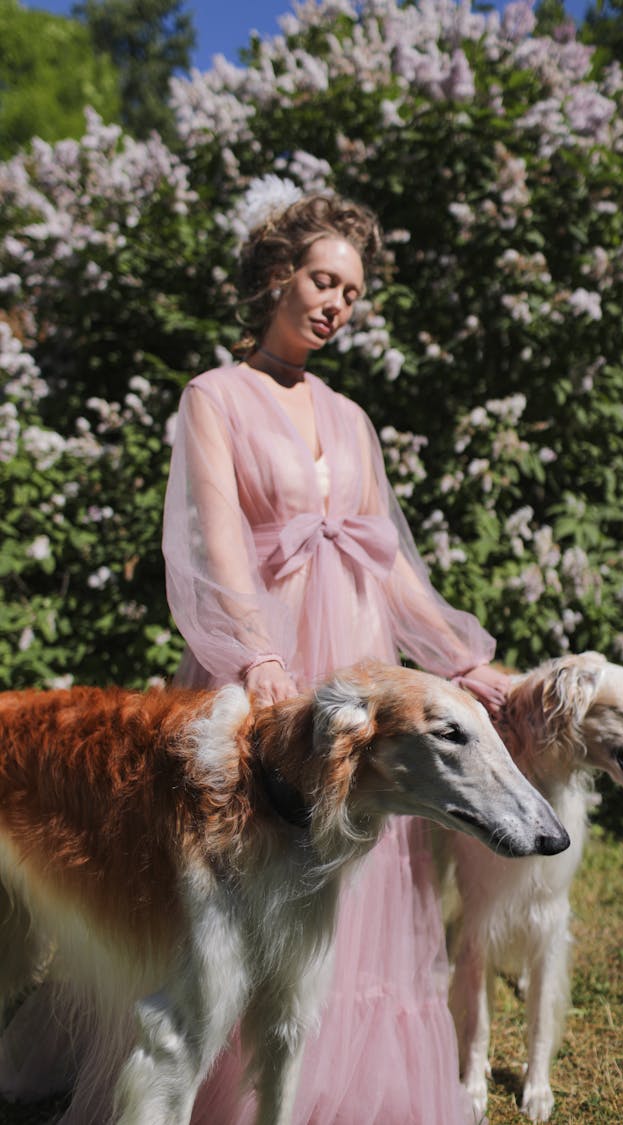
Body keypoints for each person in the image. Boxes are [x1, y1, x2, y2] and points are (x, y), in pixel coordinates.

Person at [162, 184, 510, 1125]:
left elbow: (386, 561)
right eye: (323, 281)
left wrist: (454, 657)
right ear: (277, 274)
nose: (335, 305)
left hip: (357, 660)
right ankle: (234, 1077)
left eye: (351, 294)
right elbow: (219, 541)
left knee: (364, 862)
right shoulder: (214, 398)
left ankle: (349, 1074)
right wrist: (255, 655)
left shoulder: (351, 416)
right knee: (259, 868)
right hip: (269, 669)